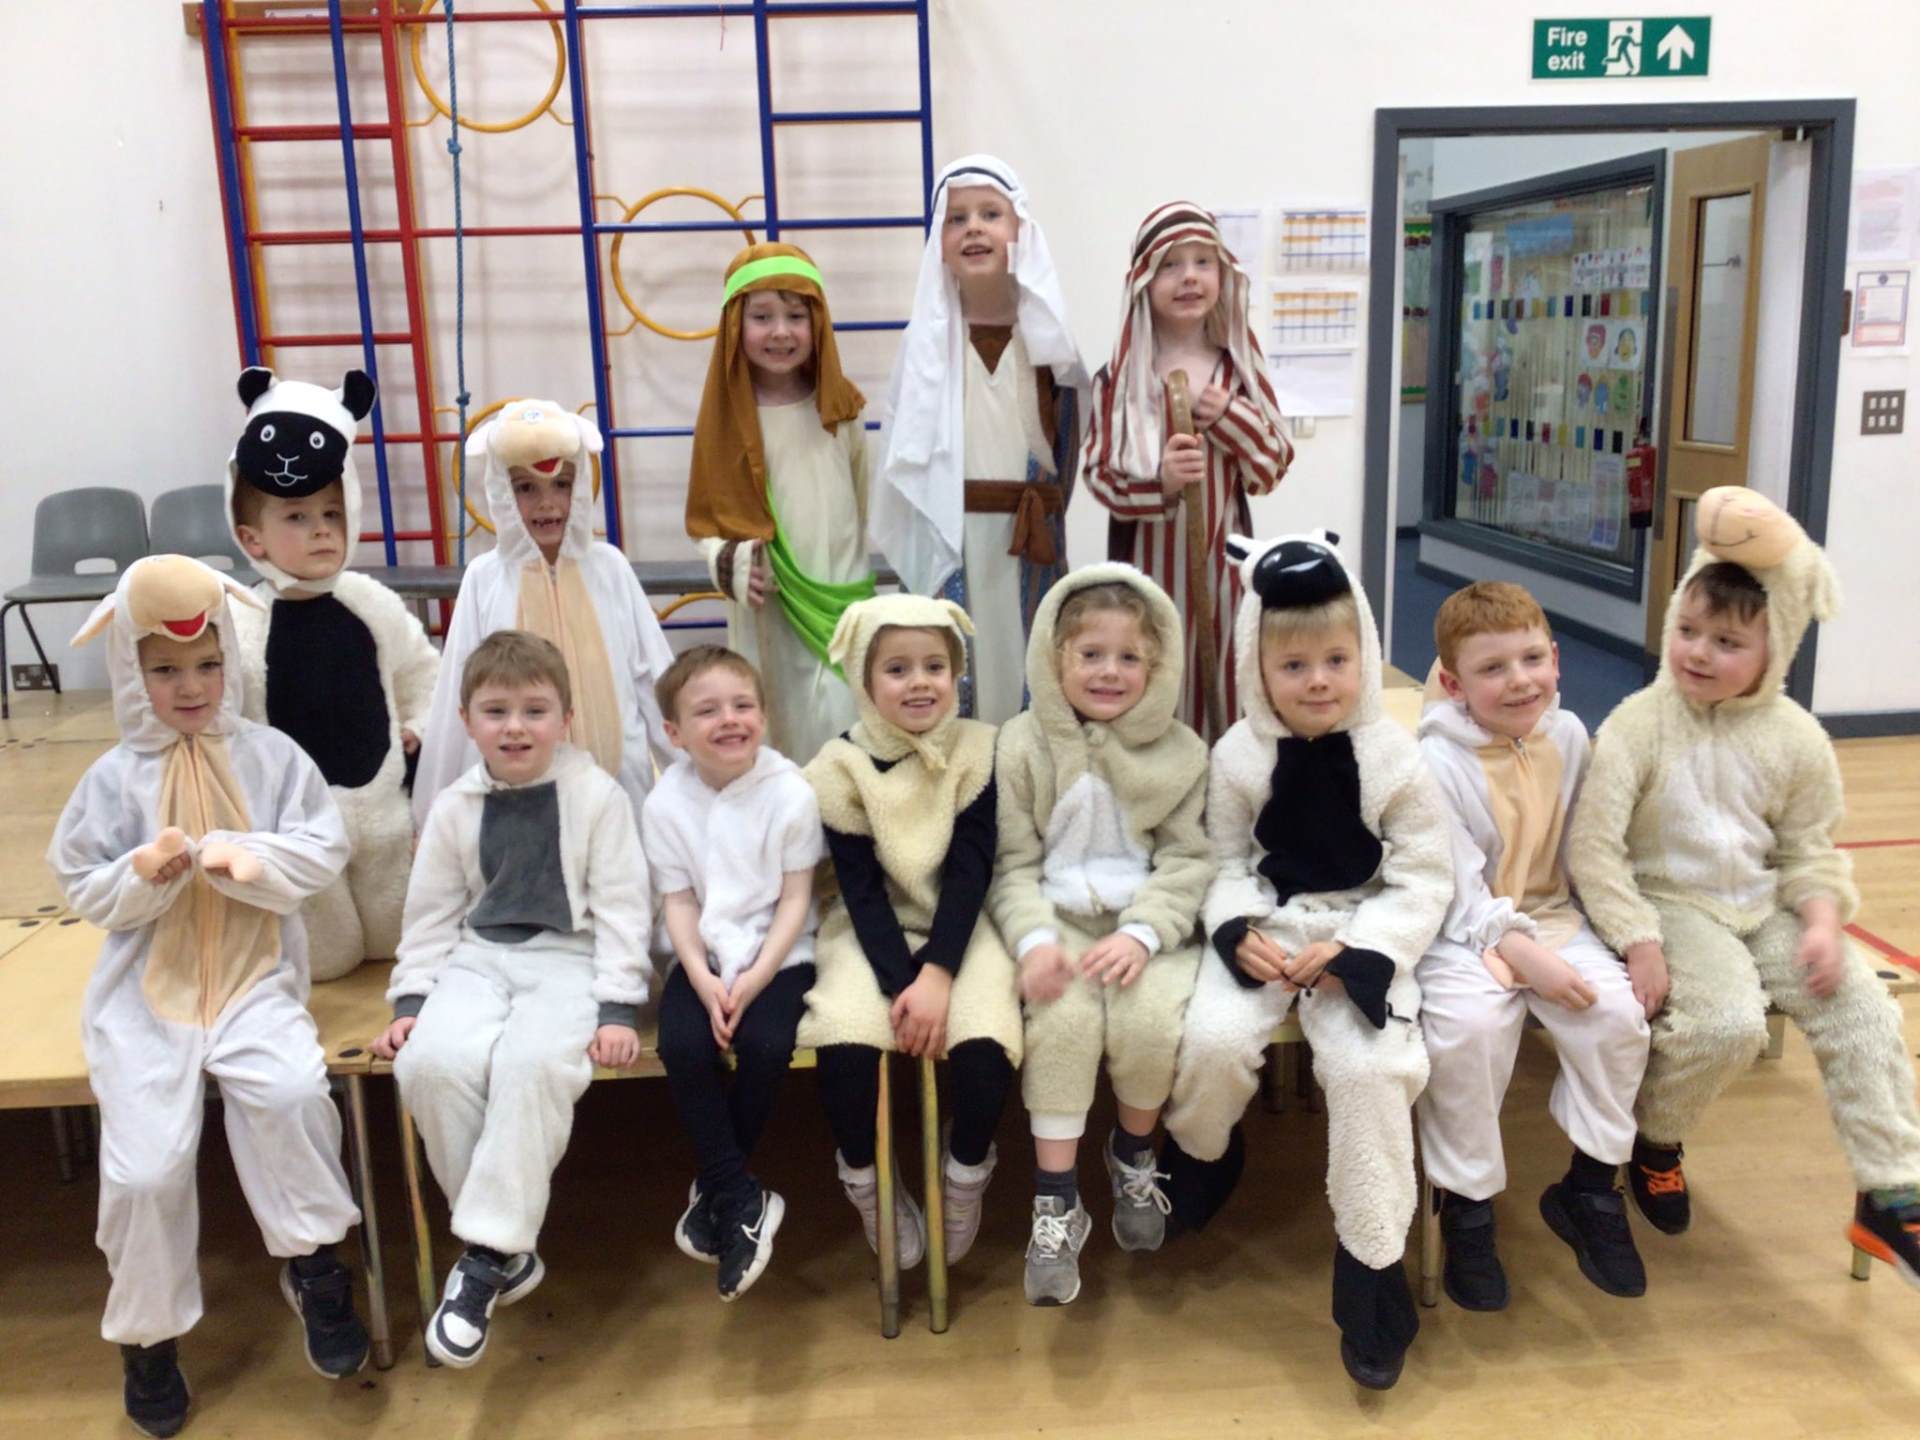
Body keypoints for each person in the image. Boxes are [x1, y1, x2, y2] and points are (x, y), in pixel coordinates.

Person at [1567, 486, 1920, 1284]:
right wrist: (1638, 938)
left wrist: (1822, 921)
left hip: (1765, 907)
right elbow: (1594, 852)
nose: (1698, 652)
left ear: (1774, 649)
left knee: (1865, 1010)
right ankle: (1657, 1141)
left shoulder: (1797, 739)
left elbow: (1809, 849)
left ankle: (1891, 1194)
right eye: (1688, 630)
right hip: (1670, 903)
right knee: (1727, 1025)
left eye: (1727, 642)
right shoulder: (1636, 724)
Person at [48, 555, 366, 1437]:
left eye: (206, 664)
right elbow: (82, 881)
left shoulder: (271, 756)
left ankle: (315, 1265)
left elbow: (323, 843)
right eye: (164, 669)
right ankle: (147, 1336)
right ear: (130, 672)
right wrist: (140, 873)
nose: (189, 687)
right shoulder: (113, 778)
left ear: (230, 659)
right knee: (145, 1168)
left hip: (253, 981)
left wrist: (251, 858)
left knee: (293, 1096)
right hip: (146, 998)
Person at [1163, 532, 1450, 1390]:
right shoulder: (1237, 755)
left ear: (1363, 656)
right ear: (1258, 669)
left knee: (1369, 1074)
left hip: (1360, 932)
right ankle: (1207, 1155)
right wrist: (1232, 927)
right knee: (1211, 1042)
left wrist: (1363, 951)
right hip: (1272, 923)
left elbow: (1425, 876)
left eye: (1336, 661)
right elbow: (1221, 860)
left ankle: (1372, 1269)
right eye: (1293, 666)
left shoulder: (1395, 757)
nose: (1318, 681)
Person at [374, 631, 651, 1368]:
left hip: (570, 959)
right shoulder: (454, 807)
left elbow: (624, 909)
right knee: (428, 1066)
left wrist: (617, 1005)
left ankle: (484, 1258)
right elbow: (430, 915)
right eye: (496, 711)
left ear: (566, 719)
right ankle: (502, 1252)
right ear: (467, 721)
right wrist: (411, 1002)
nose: (516, 727)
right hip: (478, 959)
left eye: (535, 710)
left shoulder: (598, 796)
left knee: (531, 1067)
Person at [1415, 581, 1650, 1312]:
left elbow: (1590, 849)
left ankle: (1588, 1189)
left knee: (1617, 1017)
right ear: (1454, 685)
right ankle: (1467, 1207)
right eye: (1492, 668)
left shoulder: (1571, 736)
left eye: (1531, 659)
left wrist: (1632, 934)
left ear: (1556, 659)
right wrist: (1516, 951)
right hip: (1462, 930)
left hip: (1553, 917)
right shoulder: (1434, 761)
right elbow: (1453, 881)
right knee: (1470, 1031)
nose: (1519, 681)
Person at [990, 565, 1210, 1305]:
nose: (1109, 672)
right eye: (1091, 655)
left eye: (1129, 657)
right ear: (1055, 661)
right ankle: (1056, 1199)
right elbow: (1011, 866)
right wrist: (1034, 943)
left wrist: (1144, 933)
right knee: (1062, 1024)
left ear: (1158, 665)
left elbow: (1188, 859)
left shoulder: (1181, 751)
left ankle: (1134, 1155)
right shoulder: (1020, 746)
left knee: (1150, 1022)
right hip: (1055, 922)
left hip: (1144, 925)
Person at [796, 595, 1019, 1270]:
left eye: (934, 667)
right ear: (865, 681)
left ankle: (965, 1170)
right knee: (844, 1042)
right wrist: (904, 987)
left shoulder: (981, 749)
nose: (919, 682)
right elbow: (859, 890)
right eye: (897, 669)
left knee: (986, 1044)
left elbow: (972, 869)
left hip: (962, 926)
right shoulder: (838, 766)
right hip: (870, 932)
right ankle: (868, 1181)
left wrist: (940, 973)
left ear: (956, 674)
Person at [224, 366, 439, 979]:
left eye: (332, 513)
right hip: (300, 819)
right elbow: (233, 719)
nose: (321, 529)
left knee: (404, 937)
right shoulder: (242, 621)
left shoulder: (371, 602)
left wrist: (420, 726)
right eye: (296, 517)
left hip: (381, 804)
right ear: (253, 538)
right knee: (326, 957)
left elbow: (422, 672)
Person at [872, 154, 1087, 724]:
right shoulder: (923, 347)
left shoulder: (1049, 342)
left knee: (1032, 672)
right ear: (939, 243)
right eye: (957, 217)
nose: (973, 228)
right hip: (952, 536)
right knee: (956, 670)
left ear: (1020, 231)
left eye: (991, 214)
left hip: (1028, 542)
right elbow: (903, 459)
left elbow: (1067, 452)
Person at [643, 645, 822, 1301]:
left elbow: (796, 899)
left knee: (766, 1044)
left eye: (742, 705)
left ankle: (719, 1190)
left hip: (780, 954)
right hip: (704, 957)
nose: (729, 720)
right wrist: (702, 976)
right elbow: (678, 902)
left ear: (764, 716)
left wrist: (753, 978)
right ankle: (742, 1194)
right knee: (684, 1046)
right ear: (674, 732)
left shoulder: (791, 792)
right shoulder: (665, 802)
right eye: (707, 711)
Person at [1081, 202, 1293, 743]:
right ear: (1144, 280)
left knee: (1223, 682)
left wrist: (1228, 415)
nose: (1189, 277)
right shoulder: (1119, 380)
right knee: (1150, 677)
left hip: (1225, 573)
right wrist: (1163, 483)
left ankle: (1224, 781)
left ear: (1223, 275)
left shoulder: (1238, 371)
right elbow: (1099, 474)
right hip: (1146, 574)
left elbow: (1271, 467)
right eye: (1171, 265)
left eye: (1203, 262)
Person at [411, 401, 674, 828]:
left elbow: (655, 678)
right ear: (501, 491)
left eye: (562, 485)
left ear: (581, 486)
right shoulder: (484, 578)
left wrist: (696, 777)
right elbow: (458, 692)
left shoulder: (610, 568)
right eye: (526, 488)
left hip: (619, 788)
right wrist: (432, 816)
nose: (547, 504)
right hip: (518, 796)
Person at [686, 243, 877, 764]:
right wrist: (726, 559)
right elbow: (706, 518)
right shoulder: (724, 419)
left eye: (796, 316)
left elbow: (858, 500)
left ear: (818, 322)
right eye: (762, 317)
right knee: (776, 722)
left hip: (838, 595)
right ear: (735, 324)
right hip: (766, 602)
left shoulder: (841, 409)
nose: (780, 332)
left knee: (842, 715)